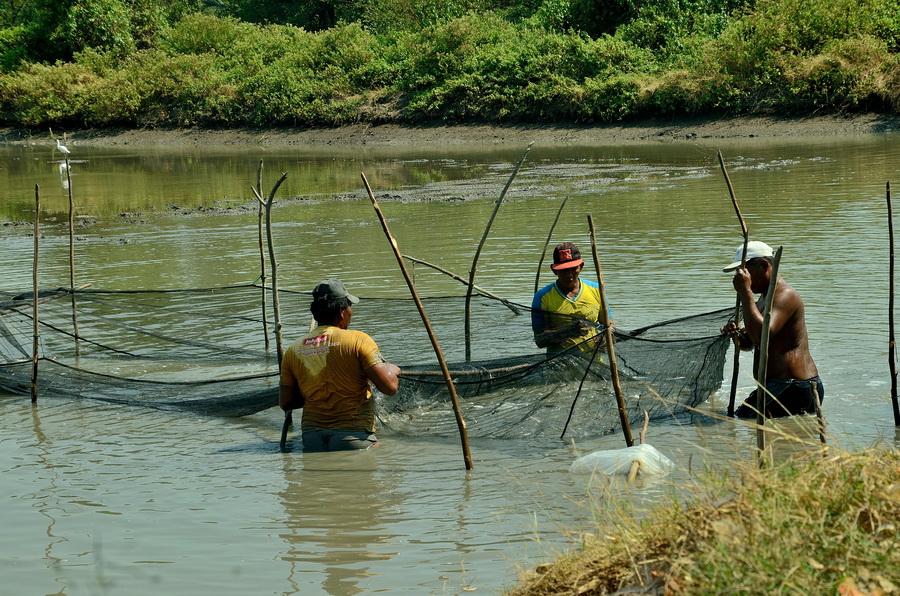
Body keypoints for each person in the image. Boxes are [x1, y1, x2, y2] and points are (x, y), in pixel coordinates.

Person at [279, 279, 401, 452]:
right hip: (353, 437)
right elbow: (390, 387)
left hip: (312, 439)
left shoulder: (294, 349)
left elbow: (286, 402)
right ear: (342, 312)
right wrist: (392, 369)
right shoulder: (358, 340)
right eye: (350, 306)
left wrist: (316, 391)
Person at [721, 241, 823, 418]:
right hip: (784, 386)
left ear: (764, 265)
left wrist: (745, 292)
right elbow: (752, 342)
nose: (742, 277)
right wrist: (737, 335)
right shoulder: (763, 298)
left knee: (740, 419)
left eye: (745, 271)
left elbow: (762, 336)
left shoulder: (784, 295)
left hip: (792, 385)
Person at [531, 241, 610, 354]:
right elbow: (540, 340)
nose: (569, 275)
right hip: (558, 362)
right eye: (563, 270)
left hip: (594, 360)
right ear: (554, 270)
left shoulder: (597, 290)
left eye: (573, 268)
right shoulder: (542, 297)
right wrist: (569, 332)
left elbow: (609, 325)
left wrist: (606, 337)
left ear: (581, 266)